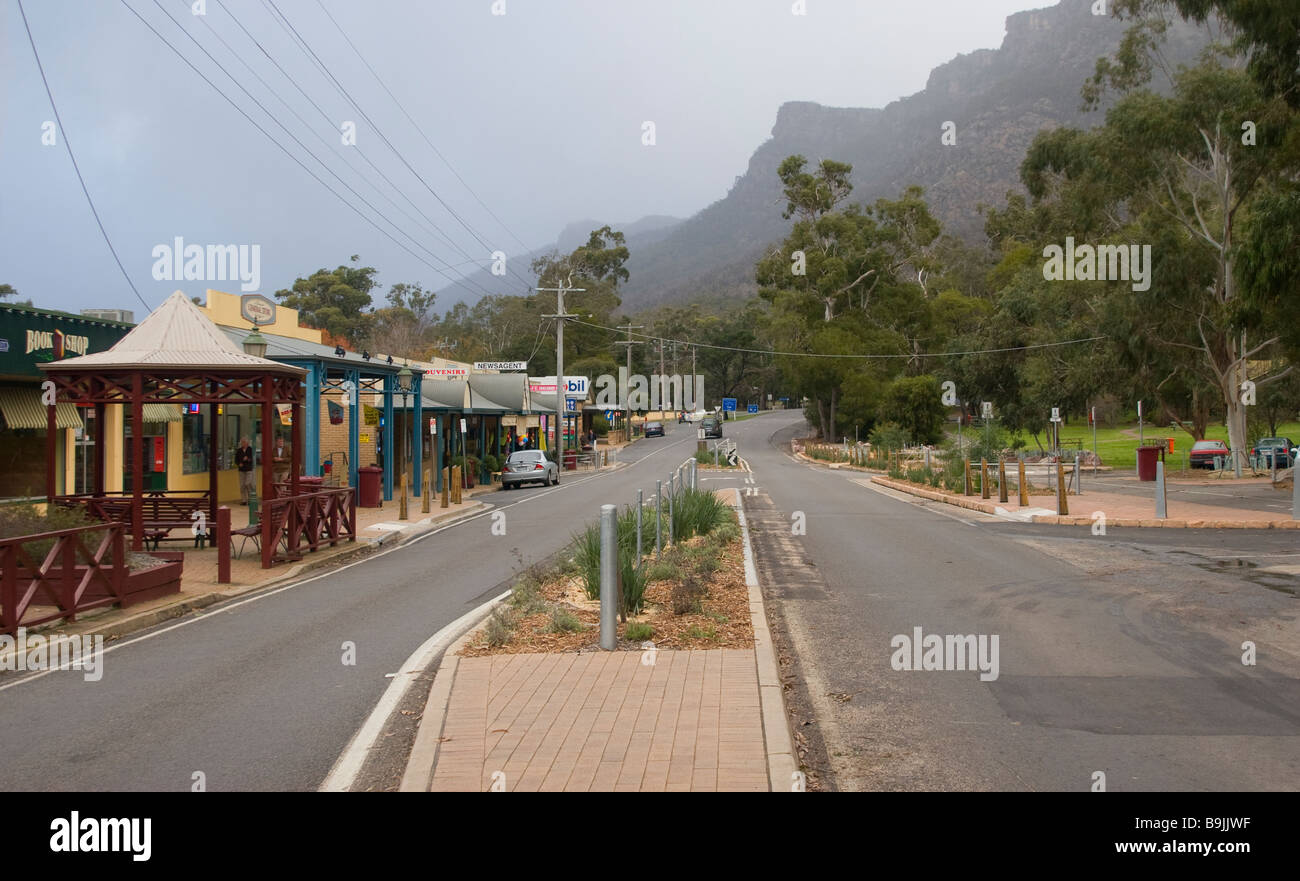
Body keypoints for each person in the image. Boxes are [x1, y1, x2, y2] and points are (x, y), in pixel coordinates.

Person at [235, 436, 255, 504]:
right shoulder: (239, 450)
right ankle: (244, 500)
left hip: (249, 469)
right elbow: (236, 460)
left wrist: (248, 459)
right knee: (242, 485)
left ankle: (250, 499)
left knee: (247, 483)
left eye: (244, 442)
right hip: (241, 470)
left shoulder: (251, 449)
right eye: (242, 442)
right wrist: (239, 464)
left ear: (247, 443)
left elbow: (253, 459)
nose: (243, 443)